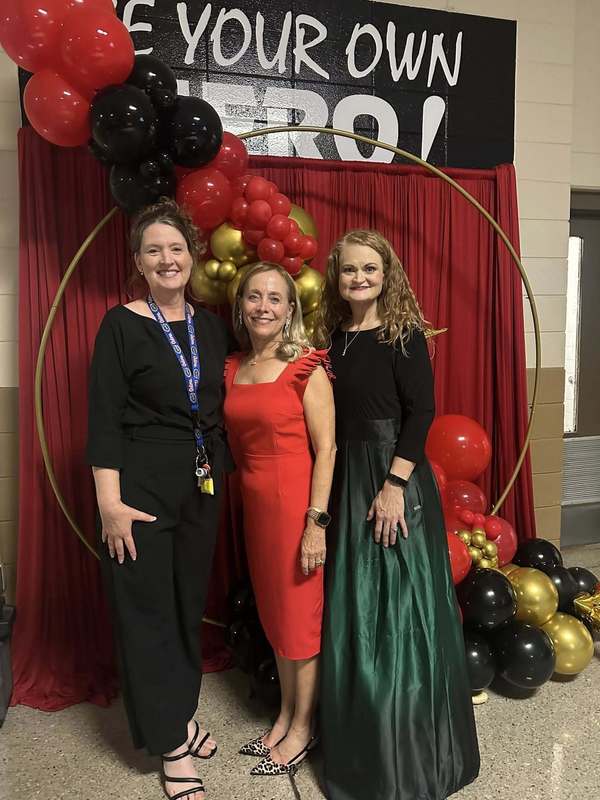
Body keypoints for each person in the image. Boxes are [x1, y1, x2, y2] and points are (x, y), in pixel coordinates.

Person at [315, 230, 480, 800]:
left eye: (370, 269)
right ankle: (364, 737)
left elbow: (422, 412)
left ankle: (408, 753)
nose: (359, 279)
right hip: (346, 475)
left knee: (400, 608)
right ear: (336, 278)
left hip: (392, 478)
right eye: (348, 270)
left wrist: (393, 486)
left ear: (388, 275)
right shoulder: (333, 338)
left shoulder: (403, 335)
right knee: (357, 605)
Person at [87, 199, 231, 800]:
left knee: (182, 607)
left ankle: (180, 715)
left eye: (176, 248)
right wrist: (110, 504)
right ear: (139, 262)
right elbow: (102, 422)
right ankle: (172, 747)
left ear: (192, 254)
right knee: (147, 616)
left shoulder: (210, 325)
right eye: (154, 250)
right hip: (139, 494)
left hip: (201, 488)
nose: (167, 259)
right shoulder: (121, 325)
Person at [223, 262, 336, 776]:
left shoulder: (306, 367)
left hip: (295, 508)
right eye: (254, 297)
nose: (263, 307)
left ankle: (303, 730)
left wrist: (316, 522)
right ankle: (286, 714)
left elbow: (328, 449)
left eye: (274, 298)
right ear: (241, 306)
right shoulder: (234, 368)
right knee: (276, 619)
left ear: (290, 308)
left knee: (300, 623)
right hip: (255, 511)